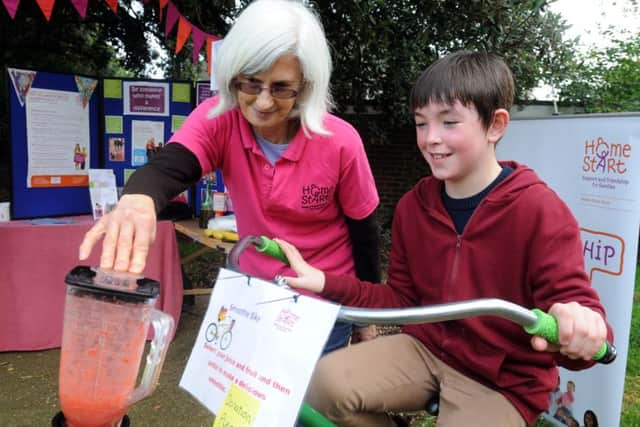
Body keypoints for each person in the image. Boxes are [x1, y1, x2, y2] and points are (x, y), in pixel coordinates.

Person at [274, 50, 613, 427]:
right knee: (319, 385)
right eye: (421, 124)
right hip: (425, 348)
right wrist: (322, 281)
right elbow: (400, 300)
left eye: (449, 122)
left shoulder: (539, 210)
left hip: (501, 381)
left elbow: (578, 315)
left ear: (495, 125)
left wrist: (580, 323)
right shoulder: (412, 207)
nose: (431, 139)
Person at [78, 0, 380, 351]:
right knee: (240, 404)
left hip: (321, 302)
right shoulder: (222, 119)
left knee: (310, 405)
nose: (263, 103)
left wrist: (365, 316)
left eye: (281, 87)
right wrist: (137, 199)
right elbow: (172, 164)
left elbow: (365, 233)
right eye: (251, 84)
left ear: (305, 86)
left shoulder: (340, 142)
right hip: (249, 296)